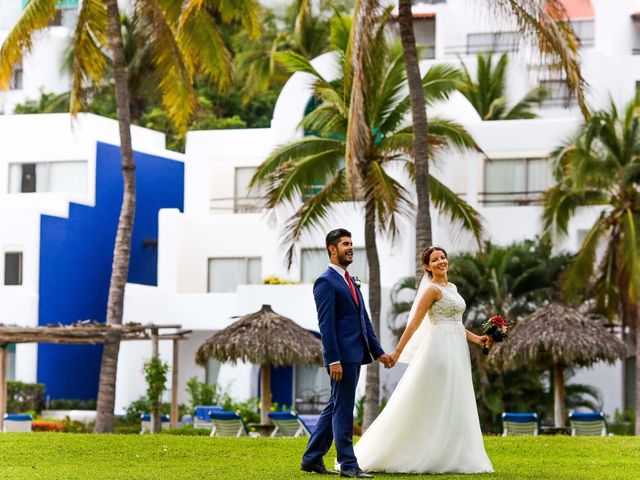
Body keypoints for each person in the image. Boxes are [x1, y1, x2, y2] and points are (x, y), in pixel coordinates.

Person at [353, 246, 494, 474]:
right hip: (439, 349)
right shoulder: (431, 290)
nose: (441, 262)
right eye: (435, 260)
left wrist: (478, 339)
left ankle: (450, 453)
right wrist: (397, 353)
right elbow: (415, 323)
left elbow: (456, 323)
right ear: (427, 266)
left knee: (455, 397)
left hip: (457, 348)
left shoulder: (452, 288)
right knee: (435, 398)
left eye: (443, 257)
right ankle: (419, 451)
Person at [301, 228, 393, 479]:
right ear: (332, 249)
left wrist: (379, 352)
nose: (350, 247)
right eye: (345, 244)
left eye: (351, 243)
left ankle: (311, 458)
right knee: (343, 409)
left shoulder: (351, 280)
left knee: (335, 406)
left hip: (355, 355)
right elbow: (326, 325)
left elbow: (364, 320)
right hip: (341, 358)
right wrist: (333, 359)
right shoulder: (325, 282)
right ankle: (348, 464)